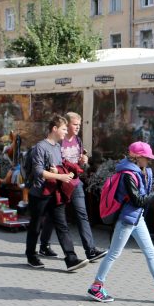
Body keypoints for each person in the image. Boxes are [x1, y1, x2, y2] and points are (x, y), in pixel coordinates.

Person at [87, 142, 154, 304]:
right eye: (146, 158)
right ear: (137, 157)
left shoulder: (142, 171)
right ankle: (96, 287)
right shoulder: (127, 175)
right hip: (127, 219)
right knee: (113, 253)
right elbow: (138, 200)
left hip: (137, 218)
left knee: (150, 252)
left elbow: (141, 197)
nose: (149, 161)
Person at [39, 111, 107, 262]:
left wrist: (83, 161)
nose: (77, 128)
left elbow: (78, 164)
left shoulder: (77, 140)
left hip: (75, 183)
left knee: (82, 215)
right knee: (53, 216)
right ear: (66, 124)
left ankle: (90, 250)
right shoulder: (58, 141)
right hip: (60, 184)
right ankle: (43, 246)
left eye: (79, 125)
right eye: (75, 124)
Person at [25, 115, 89, 272]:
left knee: (62, 225)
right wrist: (59, 176)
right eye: (64, 129)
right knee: (36, 226)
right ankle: (31, 255)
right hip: (39, 194)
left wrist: (64, 172)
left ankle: (71, 259)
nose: (66, 132)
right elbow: (39, 171)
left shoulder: (57, 147)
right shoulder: (41, 147)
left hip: (55, 192)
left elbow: (57, 166)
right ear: (54, 129)